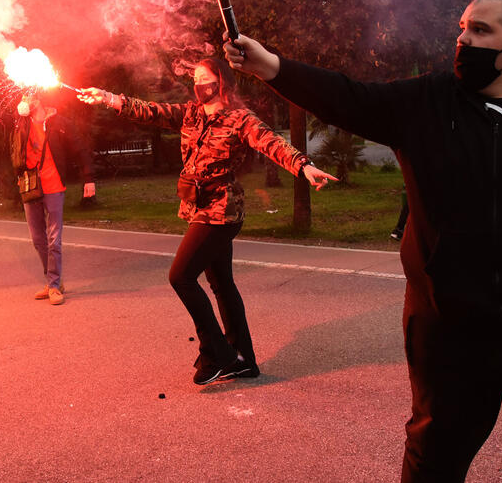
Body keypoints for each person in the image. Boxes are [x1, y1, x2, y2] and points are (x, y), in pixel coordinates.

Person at [223, 0, 502, 482]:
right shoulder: (427, 102)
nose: (463, 40)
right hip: (451, 330)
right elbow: (348, 97)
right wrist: (271, 67)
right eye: (462, 28)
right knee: (432, 460)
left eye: (480, 31)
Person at [79, 58, 337, 385]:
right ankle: (243, 360)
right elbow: (151, 111)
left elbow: (271, 142)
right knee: (221, 284)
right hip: (199, 209)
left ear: (221, 81)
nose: (199, 84)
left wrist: (303, 165)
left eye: (205, 78)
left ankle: (217, 354)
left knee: (181, 276)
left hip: (222, 211)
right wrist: (108, 98)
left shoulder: (239, 119)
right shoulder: (191, 114)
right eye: (196, 79)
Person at [12, 91, 95, 306]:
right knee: (38, 239)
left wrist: (88, 179)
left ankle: (54, 285)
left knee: (54, 239)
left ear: (38, 99)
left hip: (54, 185)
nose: (24, 101)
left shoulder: (60, 123)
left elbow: (81, 150)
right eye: (23, 97)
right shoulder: (21, 123)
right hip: (30, 186)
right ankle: (52, 281)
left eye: (28, 97)